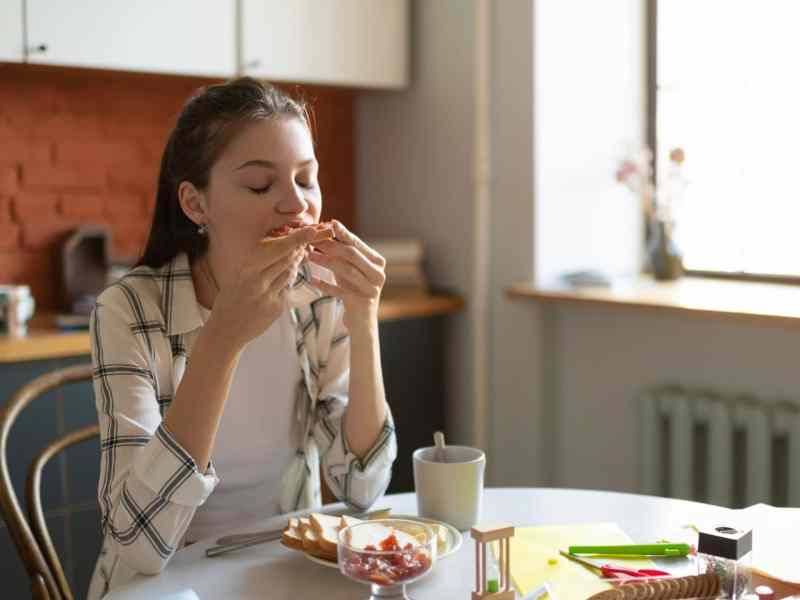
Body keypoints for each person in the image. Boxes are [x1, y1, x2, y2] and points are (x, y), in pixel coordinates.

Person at [87, 77, 396, 599]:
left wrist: (363, 318)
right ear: (195, 204)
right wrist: (223, 339)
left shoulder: (321, 299)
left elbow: (362, 487)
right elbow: (138, 544)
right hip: (160, 585)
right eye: (259, 185)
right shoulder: (128, 310)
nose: (295, 204)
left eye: (306, 179)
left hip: (283, 572)